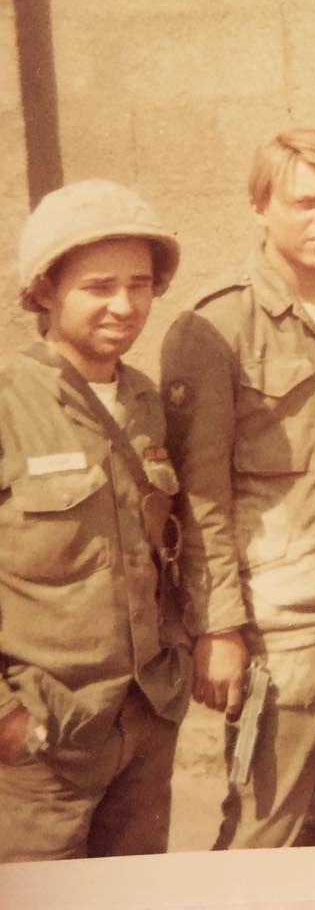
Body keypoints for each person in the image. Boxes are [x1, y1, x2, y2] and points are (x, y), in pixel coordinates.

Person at [160, 127, 315, 848]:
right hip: (281, 620)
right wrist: (220, 628)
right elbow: (198, 500)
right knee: (265, 825)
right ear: (258, 207)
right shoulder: (214, 329)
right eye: (303, 202)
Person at [0, 179, 191, 862]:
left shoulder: (145, 401)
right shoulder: (8, 401)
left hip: (143, 724)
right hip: (41, 747)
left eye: (139, 285)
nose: (124, 306)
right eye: (99, 286)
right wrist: (6, 717)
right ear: (45, 291)